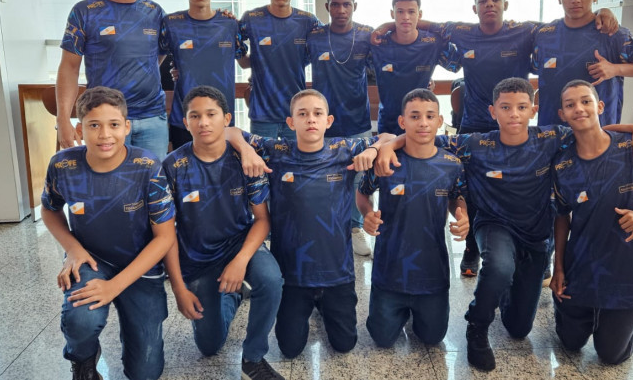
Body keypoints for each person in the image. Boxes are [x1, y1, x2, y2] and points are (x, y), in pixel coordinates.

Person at [374, 78, 633, 371]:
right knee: (499, 267)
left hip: (536, 234)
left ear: (532, 110)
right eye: (505, 107)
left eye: (522, 107)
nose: (514, 114)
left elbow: (589, 128)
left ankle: (508, 291)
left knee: (518, 329)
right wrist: (389, 144)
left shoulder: (550, 137)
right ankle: (477, 326)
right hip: (493, 224)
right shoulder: (475, 144)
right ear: (492, 111)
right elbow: (423, 137)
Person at [371, 0, 618, 277]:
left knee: (534, 188)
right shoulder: (463, 32)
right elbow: (429, 24)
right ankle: (472, 250)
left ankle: (540, 253)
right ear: (475, 8)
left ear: (505, 5)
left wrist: (600, 13)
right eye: (483, 0)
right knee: (470, 190)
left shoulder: (524, 31)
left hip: (515, 123)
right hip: (475, 123)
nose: (489, 4)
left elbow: (565, 25)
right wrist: (389, 24)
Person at [225, 89, 392, 358]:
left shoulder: (344, 149)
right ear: (291, 123)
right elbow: (229, 131)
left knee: (344, 345)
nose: (311, 119)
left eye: (317, 113)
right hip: (292, 274)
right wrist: (247, 150)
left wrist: (373, 149)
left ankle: (324, 306)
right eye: (302, 114)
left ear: (328, 121)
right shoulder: (276, 150)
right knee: (290, 349)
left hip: (337, 272)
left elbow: (390, 137)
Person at [40, 86, 176, 380]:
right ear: (80, 129)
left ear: (126, 127)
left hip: (141, 264)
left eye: (113, 124)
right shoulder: (62, 165)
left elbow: (165, 237)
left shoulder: (147, 167)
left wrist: (114, 286)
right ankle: (83, 358)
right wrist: (73, 249)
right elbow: (49, 210)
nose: (105, 135)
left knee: (146, 373)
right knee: (80, 320)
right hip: (91, 259)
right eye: (94, 125)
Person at [161, 86, 285, 380]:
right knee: (210, 346)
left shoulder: (245, 160)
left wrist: (240, 261)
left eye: (211, 114)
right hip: (197, 257)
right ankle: (233, 296)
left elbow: (262, 220)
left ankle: (253, 358)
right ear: (185, 121)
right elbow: (165, 235)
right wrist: (178, 288)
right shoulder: (173, 166)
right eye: (195, 116)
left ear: (226, 119)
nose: (203, 122)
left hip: (239, 244)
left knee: (271, 280)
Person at [550, 80, 633, 365]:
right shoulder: (562, 165)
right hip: (581, 266)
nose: (579, 108)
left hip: (624, 268)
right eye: (570, 105)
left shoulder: (632, 147)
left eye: (586, 101)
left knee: (611, 355)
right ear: (562, 114)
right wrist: (558, 267)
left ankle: (628, 320)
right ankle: (580, 312)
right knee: (570, 343)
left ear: (600, 106)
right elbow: (561, 215)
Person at [358, 88, 468, 348]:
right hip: (389, 271)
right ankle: (395, 312)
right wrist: (367, 214)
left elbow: (457, 197)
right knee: (382, 339)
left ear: (440, 121)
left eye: (430, 116)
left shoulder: (452, 164)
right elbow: (362, 194)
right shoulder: (386, 162)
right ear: (402, 121)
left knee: (433, 338)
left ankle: (418, 313)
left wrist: (462, 215)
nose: (423, 123)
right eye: (415, 116)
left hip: (432, 272)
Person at [57, 0, 169, 161]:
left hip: (152, 118)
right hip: (105, 119)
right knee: (108, 180)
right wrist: (63, 120)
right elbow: (69, 68)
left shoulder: (155, 12)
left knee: (153, 179)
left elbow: (159, 54)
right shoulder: (85, 12)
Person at [532, 0, 633, 128]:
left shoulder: (612, 33)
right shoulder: (544, 35)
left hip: (598, 131)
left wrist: (615, 69)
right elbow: (536, 70)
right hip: (551, 131)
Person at [306, 0, 376, 256]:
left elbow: (389, 61)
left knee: (358, 179)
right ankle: (328, 230)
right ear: (327, 6)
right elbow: (290, 64)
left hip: (358, 120)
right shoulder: (314, 37)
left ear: (354, 6)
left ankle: (355, 228)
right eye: (335, 4)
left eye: (347, 4)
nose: (341, 10)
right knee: (325, 179)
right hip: (323, 123)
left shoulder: (367, 35)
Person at [159, 0, 250, 150]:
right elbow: (155, 64)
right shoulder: (171, 24)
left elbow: (244, 62)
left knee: (223, 168)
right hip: (184, 119)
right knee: (185, 168)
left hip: (221, 117)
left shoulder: (230, 24)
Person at [239, 0, 320, 140]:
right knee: (261, 159)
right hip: (262, 115)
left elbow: (327, 45)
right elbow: (240, 58)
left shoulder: (308, 21)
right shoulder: (251, 19)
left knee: (296, 158)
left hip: (296, 112)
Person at [367, 0, 461, 135]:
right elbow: (355, 69)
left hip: (422, 124)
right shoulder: (378, 43)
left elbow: (456, 65)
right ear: (392, 14)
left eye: (411, 12)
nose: (406, 17)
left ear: (420, 14)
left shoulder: (433, 42)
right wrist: (386, 26)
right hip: (388, 124)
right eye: (400, 12)